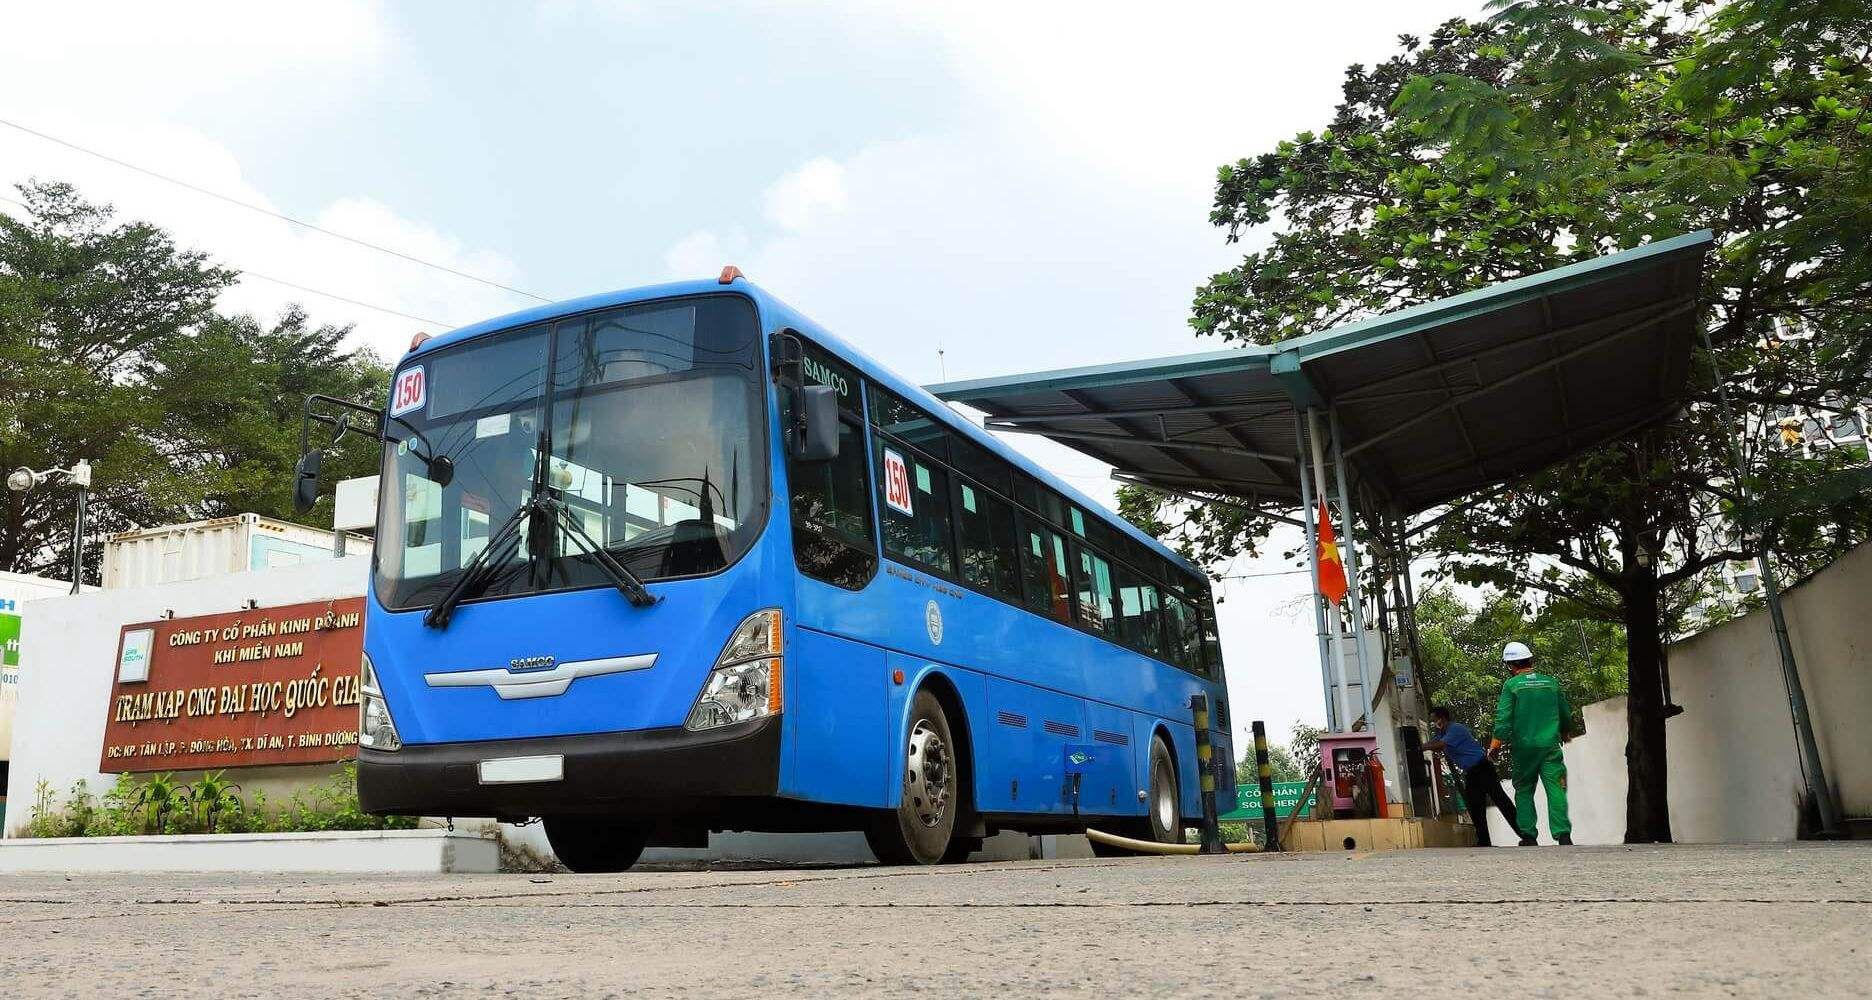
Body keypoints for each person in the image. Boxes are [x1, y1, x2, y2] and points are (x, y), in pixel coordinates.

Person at [1488, 641, 1575, 846]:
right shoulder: (1551, 683)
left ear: (1510, 666)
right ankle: (1563, 834)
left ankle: (1528, 835)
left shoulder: (1511, 686)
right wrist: (1565, 731)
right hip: (1550, 746)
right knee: (1556, 788)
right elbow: (1564, 712)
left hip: (1524, 748)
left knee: (1524, 789)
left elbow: (1504, 717)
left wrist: (1495, 744)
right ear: (1530, 660)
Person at [1426, 705, 1517, 847]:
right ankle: (1484, 841)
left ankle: (1524, 834)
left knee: (1501, 800)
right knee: (1475, 807)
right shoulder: (1441, 733)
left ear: (1442, 719)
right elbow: (1434, 742)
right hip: (1471, 772)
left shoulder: (1455, 729)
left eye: (1434, 720)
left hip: (1482, 768)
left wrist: (1420, 747)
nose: (1433, 724)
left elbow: (1439, 745)